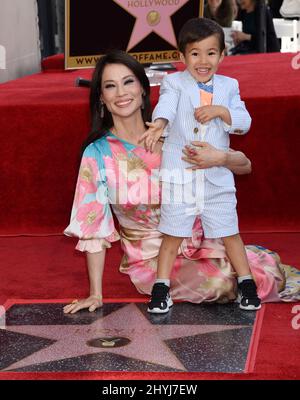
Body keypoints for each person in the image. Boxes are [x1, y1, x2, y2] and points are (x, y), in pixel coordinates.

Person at [62, 50, 294, 316]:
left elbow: (246, 166)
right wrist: (96, 293)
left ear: (143, 90)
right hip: (152, 260)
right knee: (219, 282)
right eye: (110, 86)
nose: (121, 93)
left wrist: (220, 157)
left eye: (128, 82)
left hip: (201, 242)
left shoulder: (175, 136)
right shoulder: (98, 153)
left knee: (252, 275)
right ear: (102, 98)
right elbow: (94, 227)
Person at [140, 17, 261, 314]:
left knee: (229, 231)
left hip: (216, 177)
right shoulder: (174, 82)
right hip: (179, 176)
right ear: (182, 57)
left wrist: (222, 111)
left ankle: (246, 282)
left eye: (211, 53)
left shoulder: (229, 86)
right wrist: (159, 124)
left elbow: (244, 123)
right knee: (172, 233)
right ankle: (161, 286)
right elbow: (166, 104)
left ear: (222, 55)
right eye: (195, 53)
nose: (203, 60)